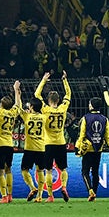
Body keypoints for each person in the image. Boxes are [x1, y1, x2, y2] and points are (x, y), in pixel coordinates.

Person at [36, 70, 71, 202]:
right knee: (63, 168)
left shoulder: (45, 109)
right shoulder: (63, 109)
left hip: (48, 143)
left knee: (49, 170)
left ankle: (50, 196)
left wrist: (44, 80)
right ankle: (64, 187)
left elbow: (37, 95)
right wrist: (64, 80)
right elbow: (69, 94)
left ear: (49, 100)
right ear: (58, 100)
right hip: (61, 142)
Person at [75, 97, 109, 201]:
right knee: (95, 172)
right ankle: (95, 193)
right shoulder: (105, 119)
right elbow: (108, 136)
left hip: (87, 148)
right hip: (98, 149)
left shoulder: (85, 118)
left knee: (85, 171)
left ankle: (90, 191)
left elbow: (81, 134)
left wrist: (77, 146)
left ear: (91, 105)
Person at [20, 97, 48, 203]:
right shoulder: (44, 117)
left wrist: (17, 92)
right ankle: (40, 195)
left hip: (29, 148)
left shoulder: (27, 116)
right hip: (41, 147)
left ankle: (32, 187)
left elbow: (18, 107)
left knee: (24, 170)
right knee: (40, 170)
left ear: (31, 107)